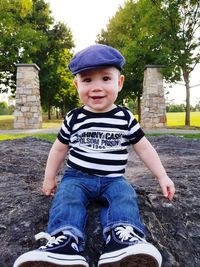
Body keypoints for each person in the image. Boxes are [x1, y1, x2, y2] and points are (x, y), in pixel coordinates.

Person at [14, 44, 175, 267]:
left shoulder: (124, 118)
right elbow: (59, 148)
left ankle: (122, 238)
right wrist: (49, 177)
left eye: (106, 78)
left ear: (119, 83)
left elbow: (144, 148)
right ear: (76, 85)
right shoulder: (74, 118)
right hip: (77, 177)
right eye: (87, 80)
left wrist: (162, 176)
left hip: (113, 179)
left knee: (125, 195)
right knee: (66, 197)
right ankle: (65, 241)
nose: (96, 87)